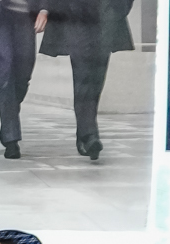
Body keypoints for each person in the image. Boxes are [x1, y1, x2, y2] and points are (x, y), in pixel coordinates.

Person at [38, 0, 136, 160]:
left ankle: (84, 131)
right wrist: (46, 9)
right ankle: (90, 135)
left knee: (96, 79)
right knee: (83, 76)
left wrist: (118, 10)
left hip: (106, 17)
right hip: (76, 17)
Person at [0, 0, 47, 158]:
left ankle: (8, 124)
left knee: (23, 74)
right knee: (5, 72)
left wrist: (44, 9)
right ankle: (11, 139)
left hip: (27, 14)